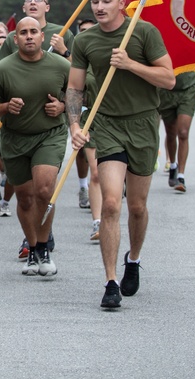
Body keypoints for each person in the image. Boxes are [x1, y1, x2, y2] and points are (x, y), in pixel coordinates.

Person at [67, 0, 175, 309]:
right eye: (95, 2)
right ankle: (110, 281)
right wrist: (74, 124)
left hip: (143, 124)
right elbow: (74, 89)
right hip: (108, 125)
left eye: (106, 1)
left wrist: (130, 65)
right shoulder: (85, 41)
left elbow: (168, 79)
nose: (99, 7)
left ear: (122, 3)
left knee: (137, 207)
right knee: (112, 203)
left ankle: (134, 259)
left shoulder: (144, 32)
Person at [0, 17, 70, 276]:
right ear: (15, 39)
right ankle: (32, 247)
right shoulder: (2, 69)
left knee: (44, 191)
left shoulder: (61, 66)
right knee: (25, 197)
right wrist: (6, 107)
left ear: (42, 36)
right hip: (15, 137)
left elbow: (78, 94)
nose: (29, 36)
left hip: (49, 135)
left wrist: (63, 106)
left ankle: (44, 247)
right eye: (23, 33)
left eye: (34, 31)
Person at [0, 0, 74, 62]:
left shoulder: (63, 33)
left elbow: (77, 68)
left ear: (47, 8)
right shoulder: (12, 37)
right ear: (24, 8)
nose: (33, 2)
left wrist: (64, 51)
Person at [76, 17, 103, 241]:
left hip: (118, 120)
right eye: (82, 31)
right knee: (95, 172)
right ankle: (98, 222)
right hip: (90, 118)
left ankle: (111, 213)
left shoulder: (111, 55)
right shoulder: (79, 61)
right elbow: (72, 89)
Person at [157, 70, 195, 192]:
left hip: (187, 89)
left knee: (183, 133)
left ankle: (181, 176)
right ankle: (173, 164)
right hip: (166, 90)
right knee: (171, 134)